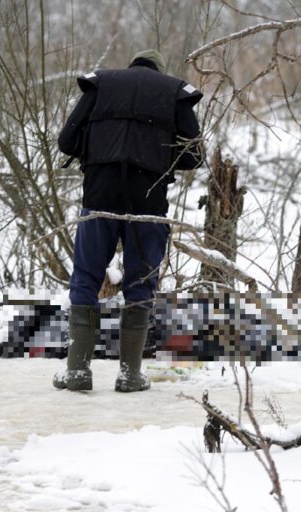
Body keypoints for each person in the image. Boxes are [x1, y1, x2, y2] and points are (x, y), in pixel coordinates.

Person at [53, 49, 204, 392]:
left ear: (131, 65)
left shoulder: (100, 83)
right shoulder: (175, 91)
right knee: (141, 284)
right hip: (148, 201)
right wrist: (157, 157)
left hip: (98, 198)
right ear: (160, 70)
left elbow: (66, 142)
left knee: (86, 280)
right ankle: (130, 374)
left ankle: (77, 372)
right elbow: (194, 155)